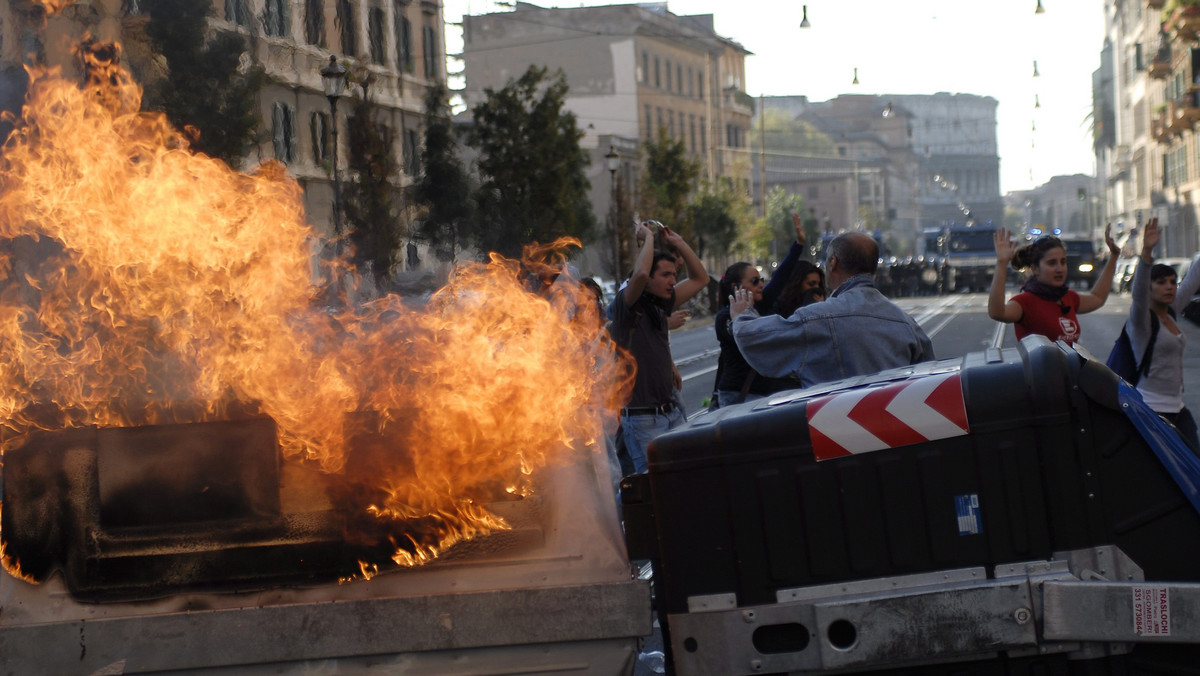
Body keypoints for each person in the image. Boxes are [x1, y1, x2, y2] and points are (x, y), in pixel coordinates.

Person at [731, 232, 934, 388]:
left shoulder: (817, 318)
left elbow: (757, 339)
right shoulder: (907, 323)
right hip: (895, 431)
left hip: (834, 434)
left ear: (833, 262)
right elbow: (927, 377)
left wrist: (742, 316)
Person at [610, 221, 709, 474]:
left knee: (685, 481)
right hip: (643, 421)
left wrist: (678, 243)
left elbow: (701, 278)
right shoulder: (626, 306)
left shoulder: (661, 304)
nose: (672, 281)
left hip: (671, 412)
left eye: (674, 275)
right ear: (647, 279)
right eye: (665, 275)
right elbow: (641, 273)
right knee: (656, 492)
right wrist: (648, 238)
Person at [1126, 218, 1200, 452]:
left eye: (1172, 282)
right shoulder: (1142, 320)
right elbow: (1138, 293)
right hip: (1151, 411)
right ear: (1149, 287)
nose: (1169, 286)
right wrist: (1146, 252)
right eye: (1161, 282)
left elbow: (1192, 279)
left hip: (1178, 409)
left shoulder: (1171, 311)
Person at [988, 225, 1120, 345]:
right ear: (1035, 269)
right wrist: (1001, 263)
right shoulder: (1024, 302)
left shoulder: (1068, 297)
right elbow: (997, 312)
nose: (1059, 268)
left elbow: (1097, 298)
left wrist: (1114, 256)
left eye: (1063, 262)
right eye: (1051, 263)